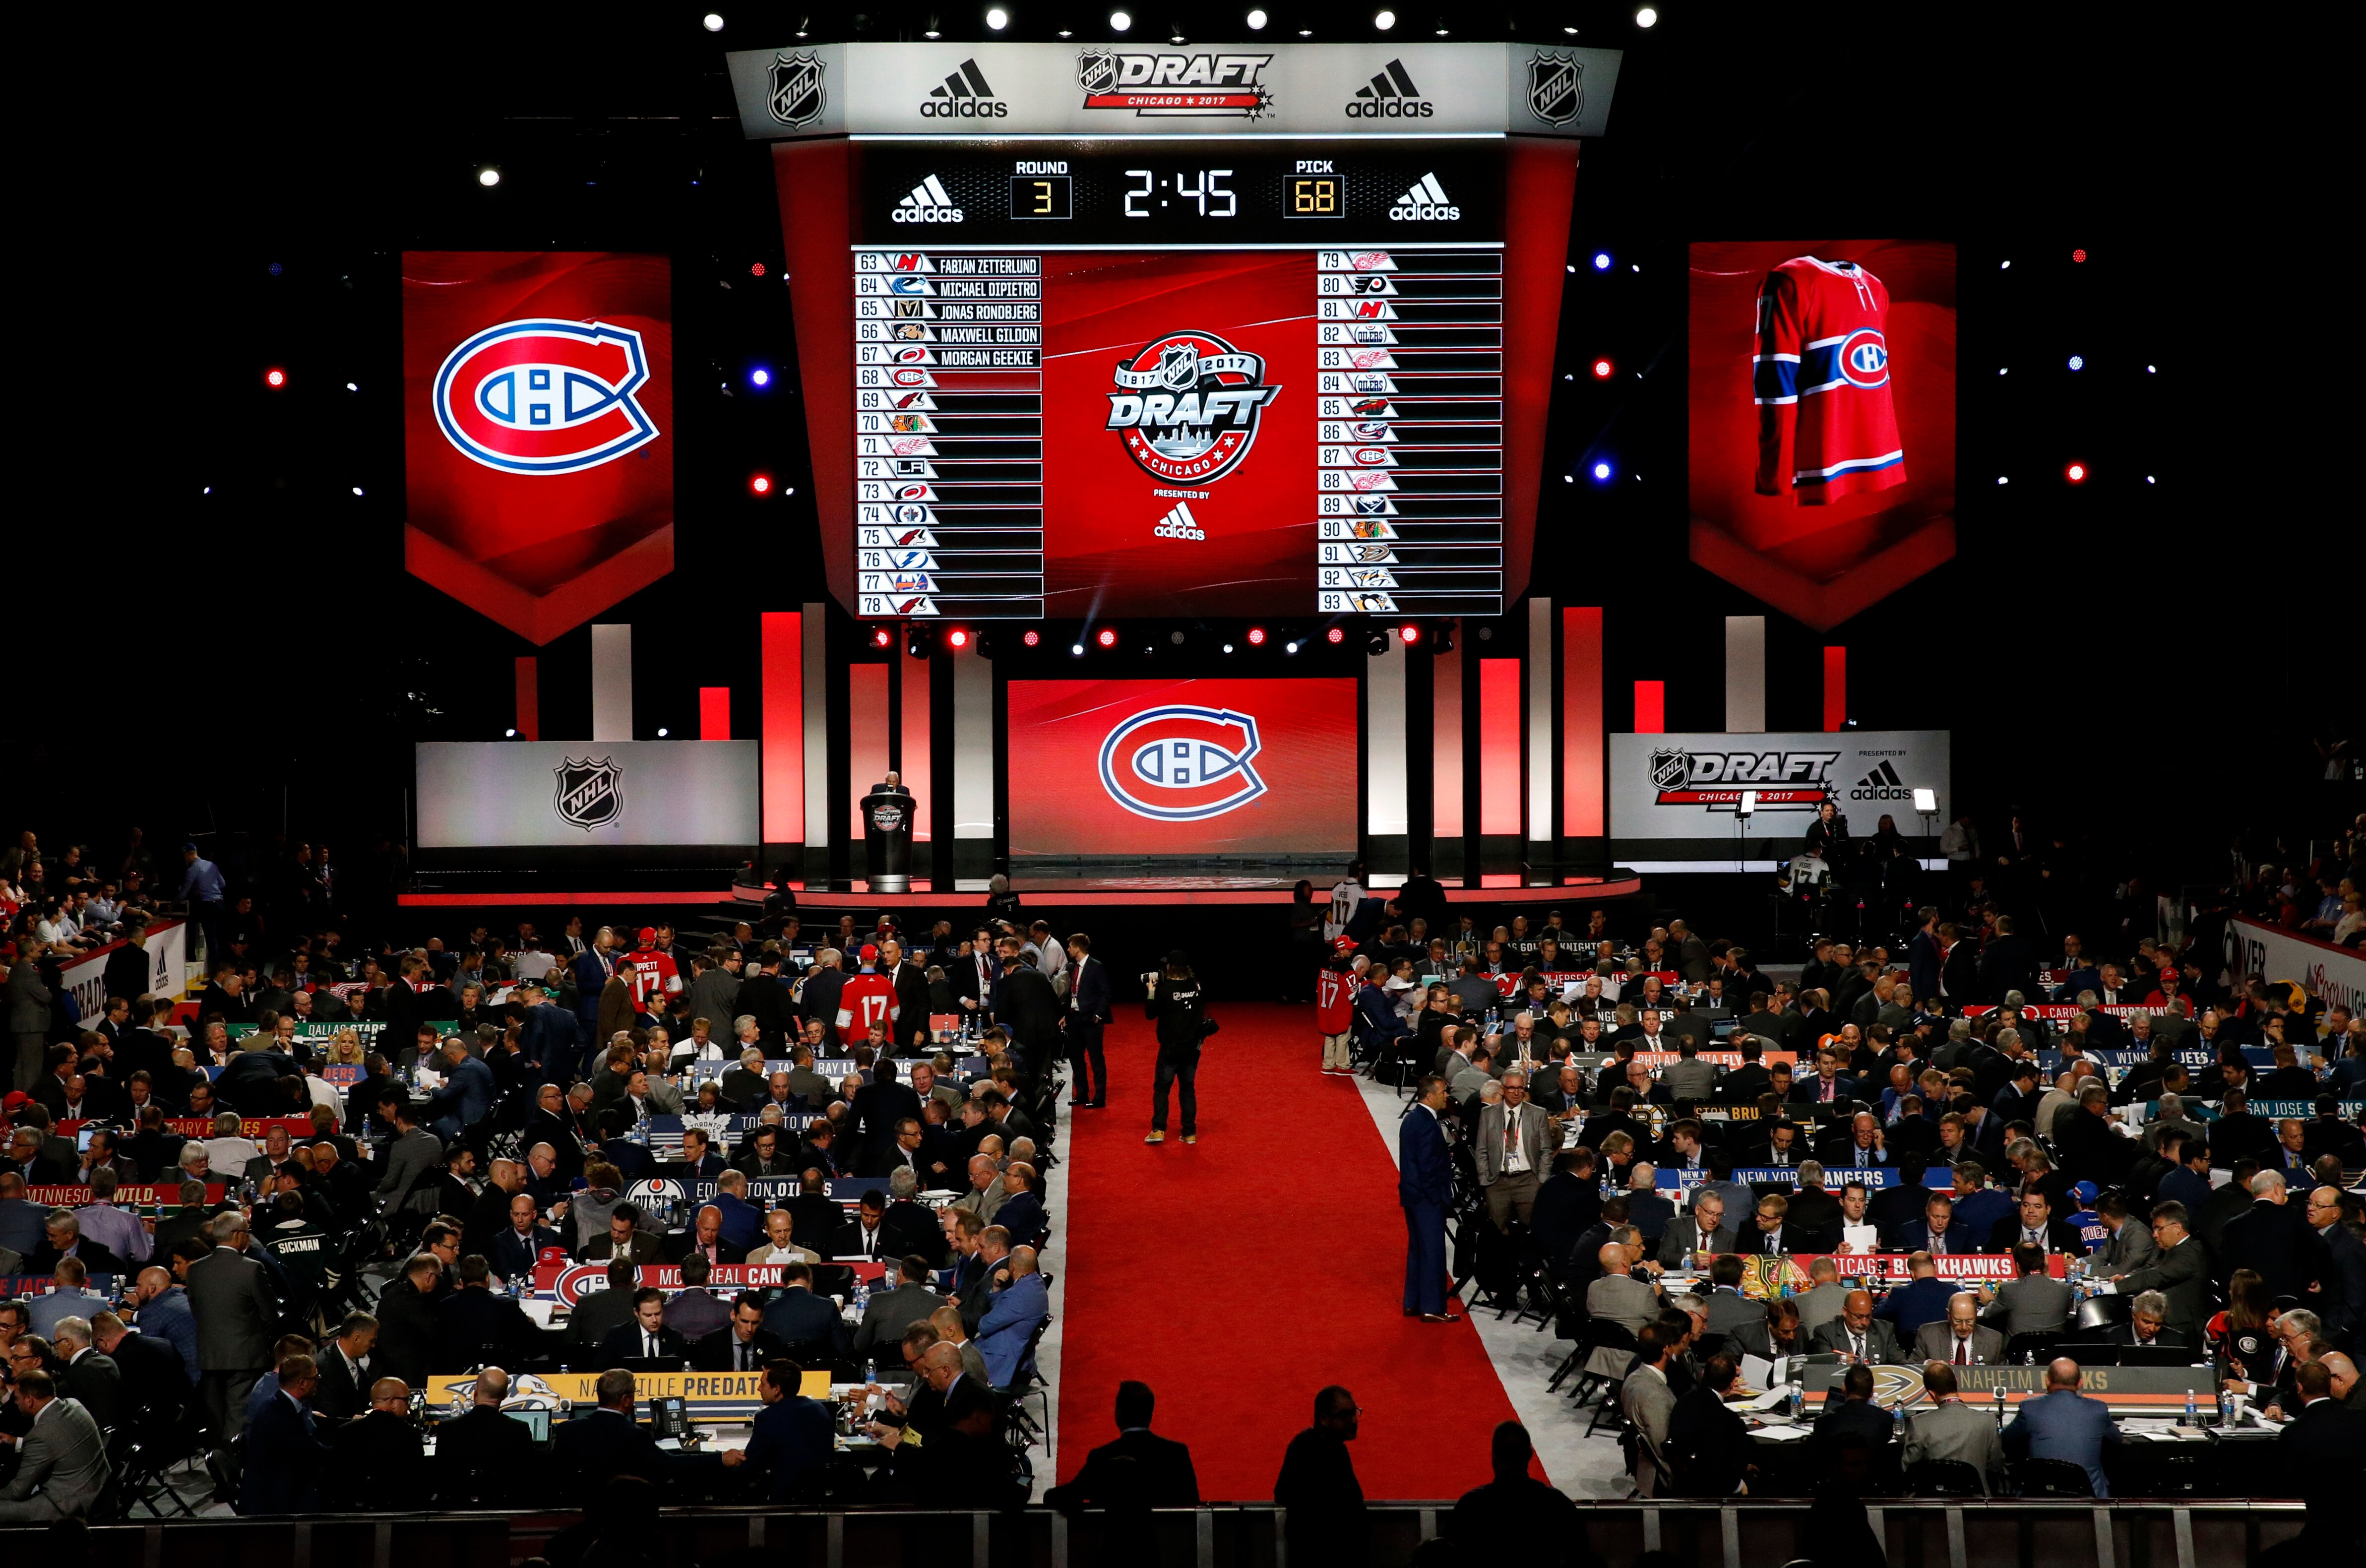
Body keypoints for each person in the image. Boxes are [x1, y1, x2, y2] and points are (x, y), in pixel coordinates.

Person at [1046, 1380, 1202, 1558]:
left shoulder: (1102, 1456)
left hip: (1114, 1552)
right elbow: (1193, 1503)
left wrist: (1048, 1494)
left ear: (1118, 1414)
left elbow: (1070, 1496)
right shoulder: (1176, 1454)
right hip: (1167, 1552)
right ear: (1150, 1413)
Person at [1444, 1420, 1590, 1553]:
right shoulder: (1558, 1504)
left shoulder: (1470, 1506)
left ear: (1494, 1457)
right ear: (1530, 1455)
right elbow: (1582, 1556)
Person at [1274, 1385, 1367, 1568]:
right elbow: (1284, 1493)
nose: (1354, 1421)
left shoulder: (1334, 1447)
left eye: (1356, 1412)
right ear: (1324, 1418)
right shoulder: (1308, 1448)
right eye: (1346, 1415)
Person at [0, 1369, 108, 1522]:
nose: (16, 1402)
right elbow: (59, 1441)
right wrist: (16, 1442)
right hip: (100, 1493)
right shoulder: (75, 1405)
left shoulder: (40, 1434)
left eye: (17, 1398)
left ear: (29, 1400)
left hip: (70, 1506)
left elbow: (19, 1491)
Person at [2003, 1357, 2118, 1496]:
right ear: (2080, 1383)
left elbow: (2004, 1439)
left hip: (2039, 1496)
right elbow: (2117, 1441)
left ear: (2047, 1381)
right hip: (2088, 1499)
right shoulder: (2098, 1409)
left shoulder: (2029, 1408)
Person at [432, 1367, 542, 1507]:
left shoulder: (447, 1428)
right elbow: (529, 1479)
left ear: (475, 1392)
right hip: (504, 1509)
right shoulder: (519, 1429)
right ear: (505, 1395)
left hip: (457, 1509)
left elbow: (439, 1478)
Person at [241, 1353, 330, 1513]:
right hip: (272, 1502)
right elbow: (310, 1451)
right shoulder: (280, 1415)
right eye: (316, 1378)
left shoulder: (279, 1404)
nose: (318, 1383)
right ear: (302, 1383)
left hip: (276, 1485)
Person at [1399, 1074, 1455, 1322]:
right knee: (1433, 1252)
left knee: (1418, 1250)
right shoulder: (1428, 1124)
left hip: (1412, 1195)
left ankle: (1413, 1302)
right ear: (1430, 1095)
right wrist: (1439, 1198)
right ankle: (1433, 1307)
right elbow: (1428, 1167)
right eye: (1443, 1092)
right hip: (1426, 1198)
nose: (1447, 1096)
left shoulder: (1412, 1119)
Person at [322, 1377, 428, 1509]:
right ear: (393, 1402)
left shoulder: (345, 1431)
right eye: (407, 1400)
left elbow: (332, 1480)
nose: (408, 1406)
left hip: (351, 1513)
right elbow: (419, 1483)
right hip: (396, 1514)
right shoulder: (409, 1434)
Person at [1903, 1361, 2006, 1493]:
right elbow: (1996, 1465)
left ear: (1932, 1394)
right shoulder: (1988, 1421)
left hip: (1933, 1506)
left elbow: (1909, 1469)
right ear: (1956, 1382)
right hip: (1976, 1506)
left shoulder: (1919, 1423)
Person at [741, 1357, 833, 1503]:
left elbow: (749, 1466)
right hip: (821, 1497)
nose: (759, 1388)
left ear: (776, 1389)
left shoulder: (768, 1417)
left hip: (785, 1503)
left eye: (763, 1384)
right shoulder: (819, 1408)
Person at [1474, 1068, 1554, 1230]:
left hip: (1528, 1181)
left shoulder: (1538, 1114)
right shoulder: (1488, 1114)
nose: (1516, 1093)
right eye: (1511, 1088)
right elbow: (1481, 1149)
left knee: (1528, 1233)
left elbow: (1546, 1150)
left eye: (1520, 1088)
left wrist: (1541, 1180)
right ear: (1503, 1090)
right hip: (1497, 1182)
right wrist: (1485, 1181)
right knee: (1496, 1233)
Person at [1144, 950, 1209, 1145]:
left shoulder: (1164, 990)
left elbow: (1150, 1014)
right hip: (1192, 1049)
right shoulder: (1197, 986)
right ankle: (1189, 1132)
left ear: (1170, 967)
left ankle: (1158, 1130)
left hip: (1170, 1049)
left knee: (1162, 1088)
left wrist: (1151, 990)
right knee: (1188, 1088)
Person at [1064, 932, 1111, 1108]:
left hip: (1091, 1020)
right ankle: (1082, 1094)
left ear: (1077, 948)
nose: (1068, 950)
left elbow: (1106, 993)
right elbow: (1069, 994)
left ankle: (1099, 1097)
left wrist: (1098, 1015)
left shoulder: (1096, 967)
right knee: (1076, 1058)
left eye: (1070, 947)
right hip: (1075, 1019)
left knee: (1096, 1059)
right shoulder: (1072, 968)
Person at [600, 1287, 691, 1368]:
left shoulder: (674, 1337)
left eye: (658, 1314)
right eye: (648, 1315)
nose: (654, 1320)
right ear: (636, 1313)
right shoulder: (618, 1336)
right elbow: (599, 1372)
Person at [1915, 1291, 2006, 1367]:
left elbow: (2004, 1374)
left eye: (1969, 1321)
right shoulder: (1928, 1335)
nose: (1964, 1327)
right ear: (1949, 1315)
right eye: (1958, 1321)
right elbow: (1911, 1366)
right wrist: (1927, 1364)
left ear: (1976, 1314)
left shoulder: (1994, 1339)